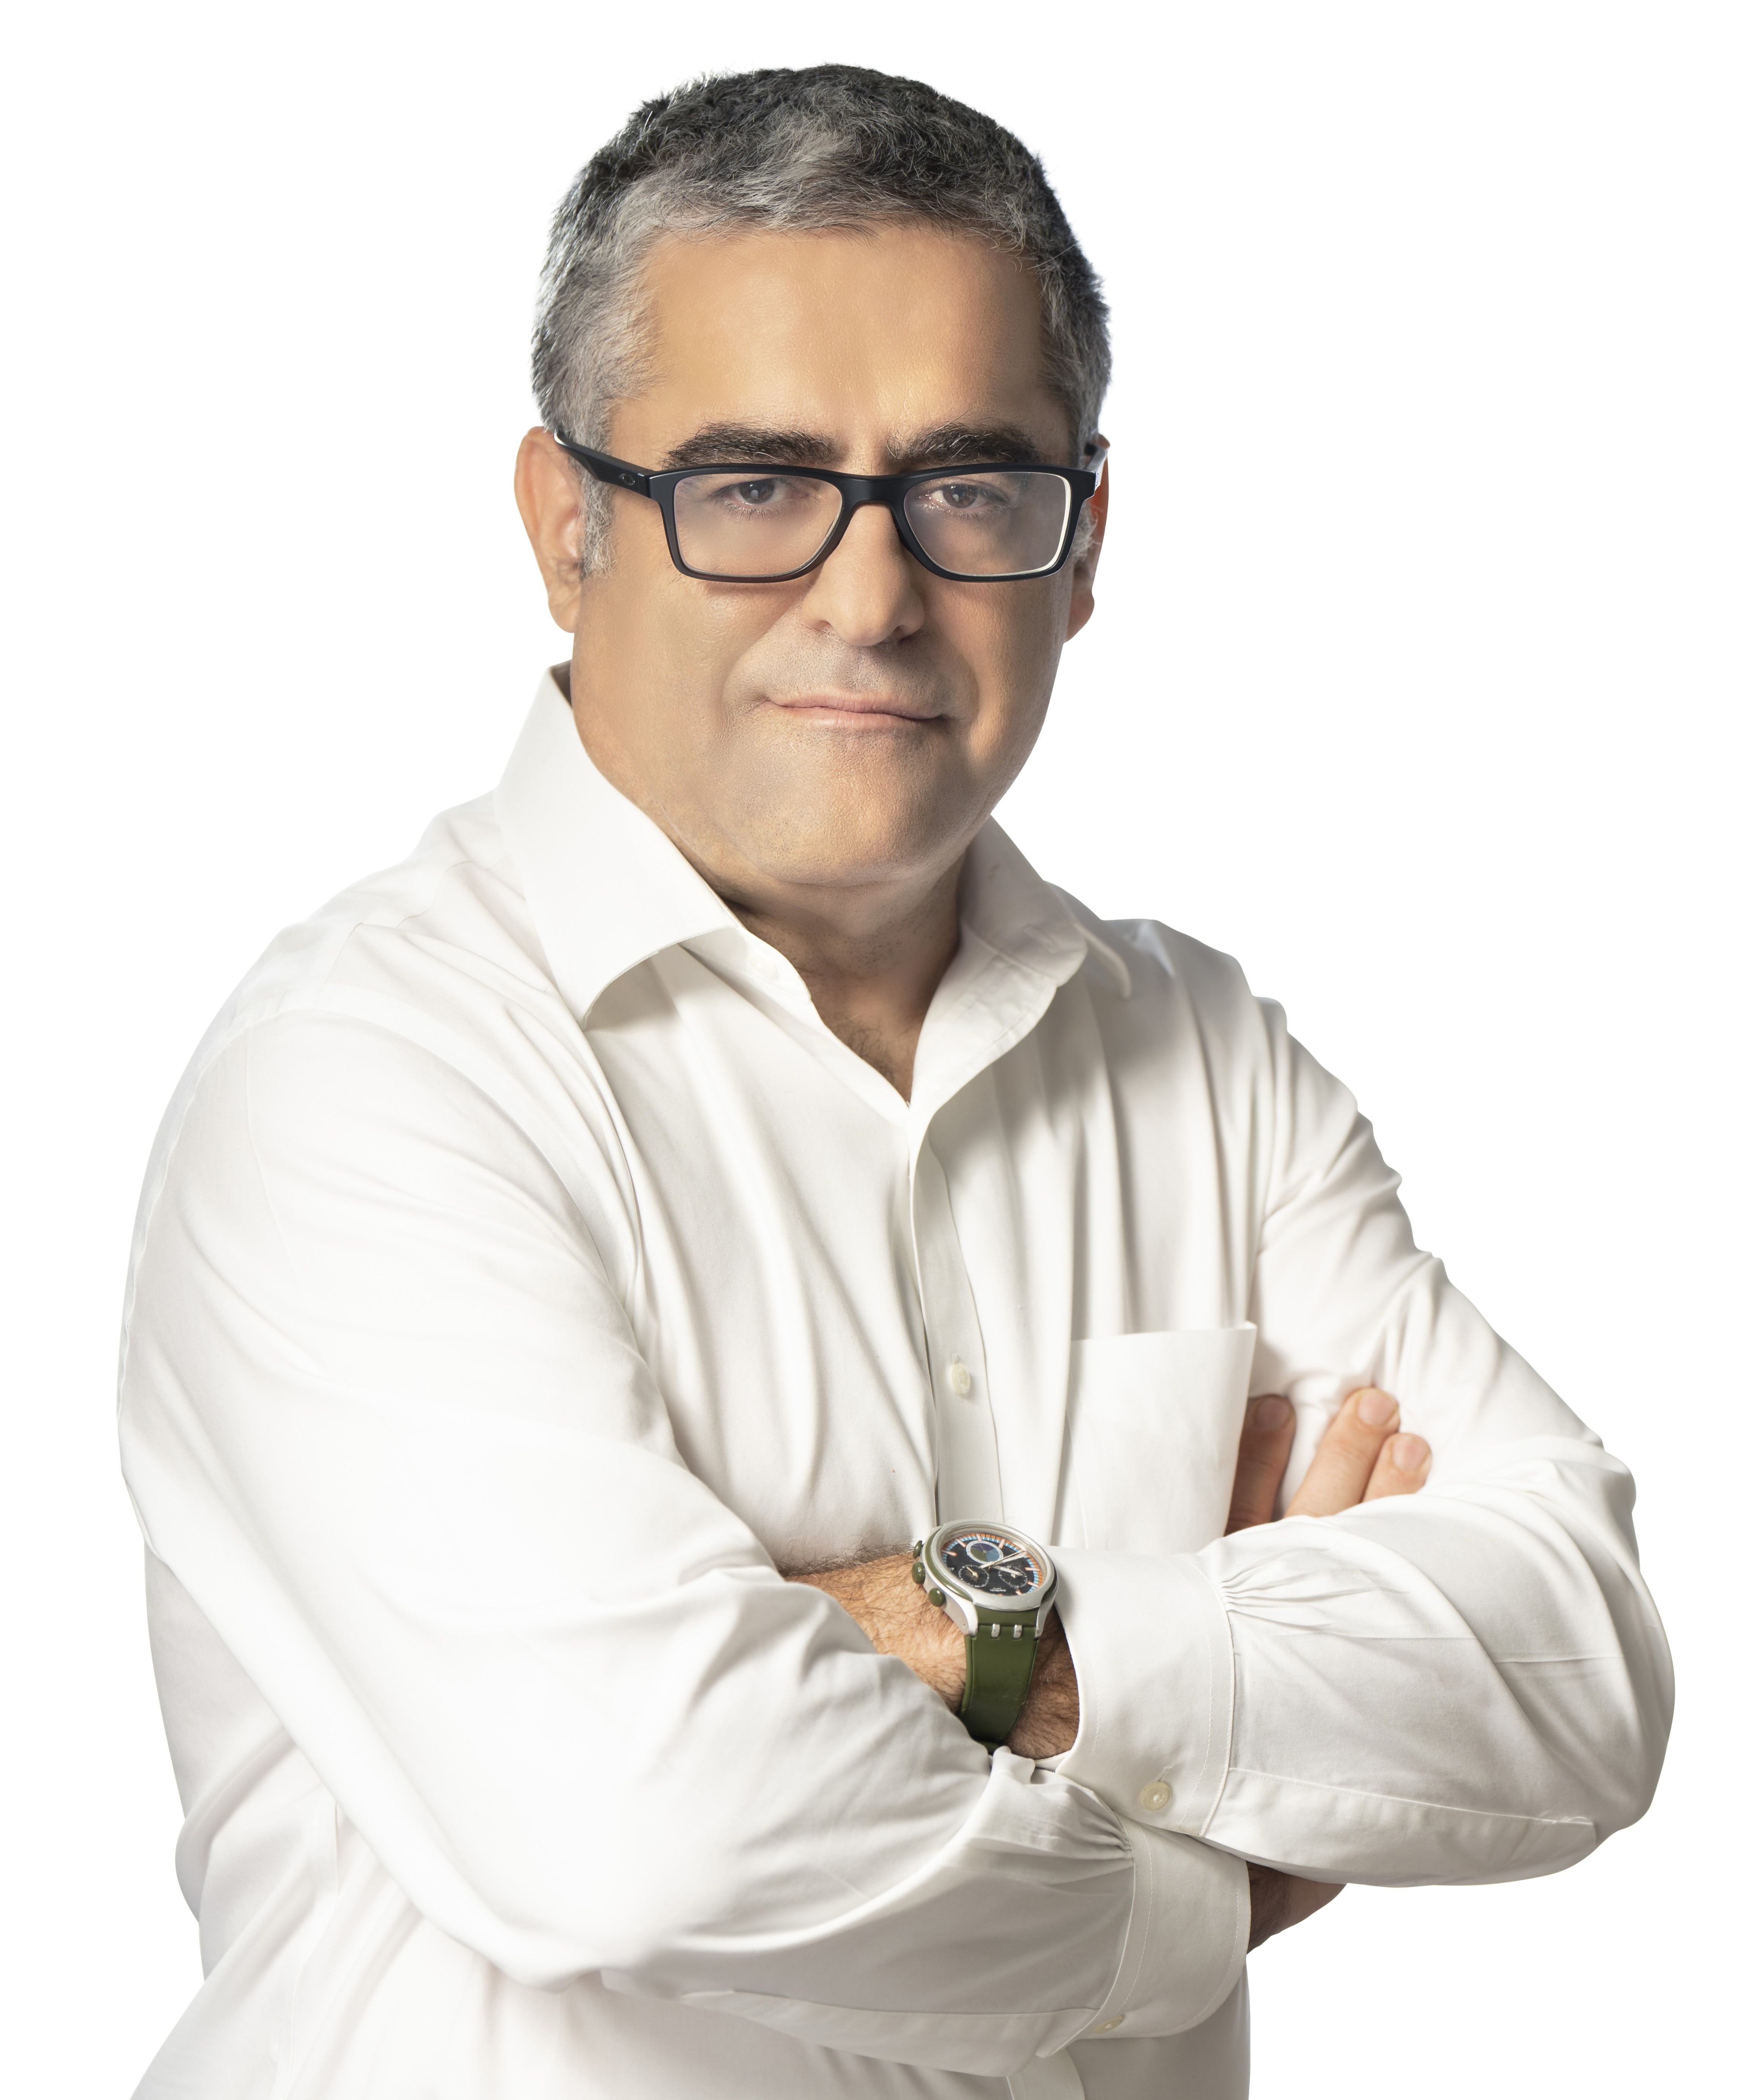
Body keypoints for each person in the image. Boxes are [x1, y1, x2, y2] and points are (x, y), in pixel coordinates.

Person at [118, 64, 1671, 2100]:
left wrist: (958, 1632)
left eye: (967, 486)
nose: (870, 596)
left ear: (1081, 542)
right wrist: (1211, 1836)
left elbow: (1578, 1665)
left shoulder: (1203, 1059)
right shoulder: (363, 1080)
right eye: (755, 485)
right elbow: (646, 1826)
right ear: (567, 526)